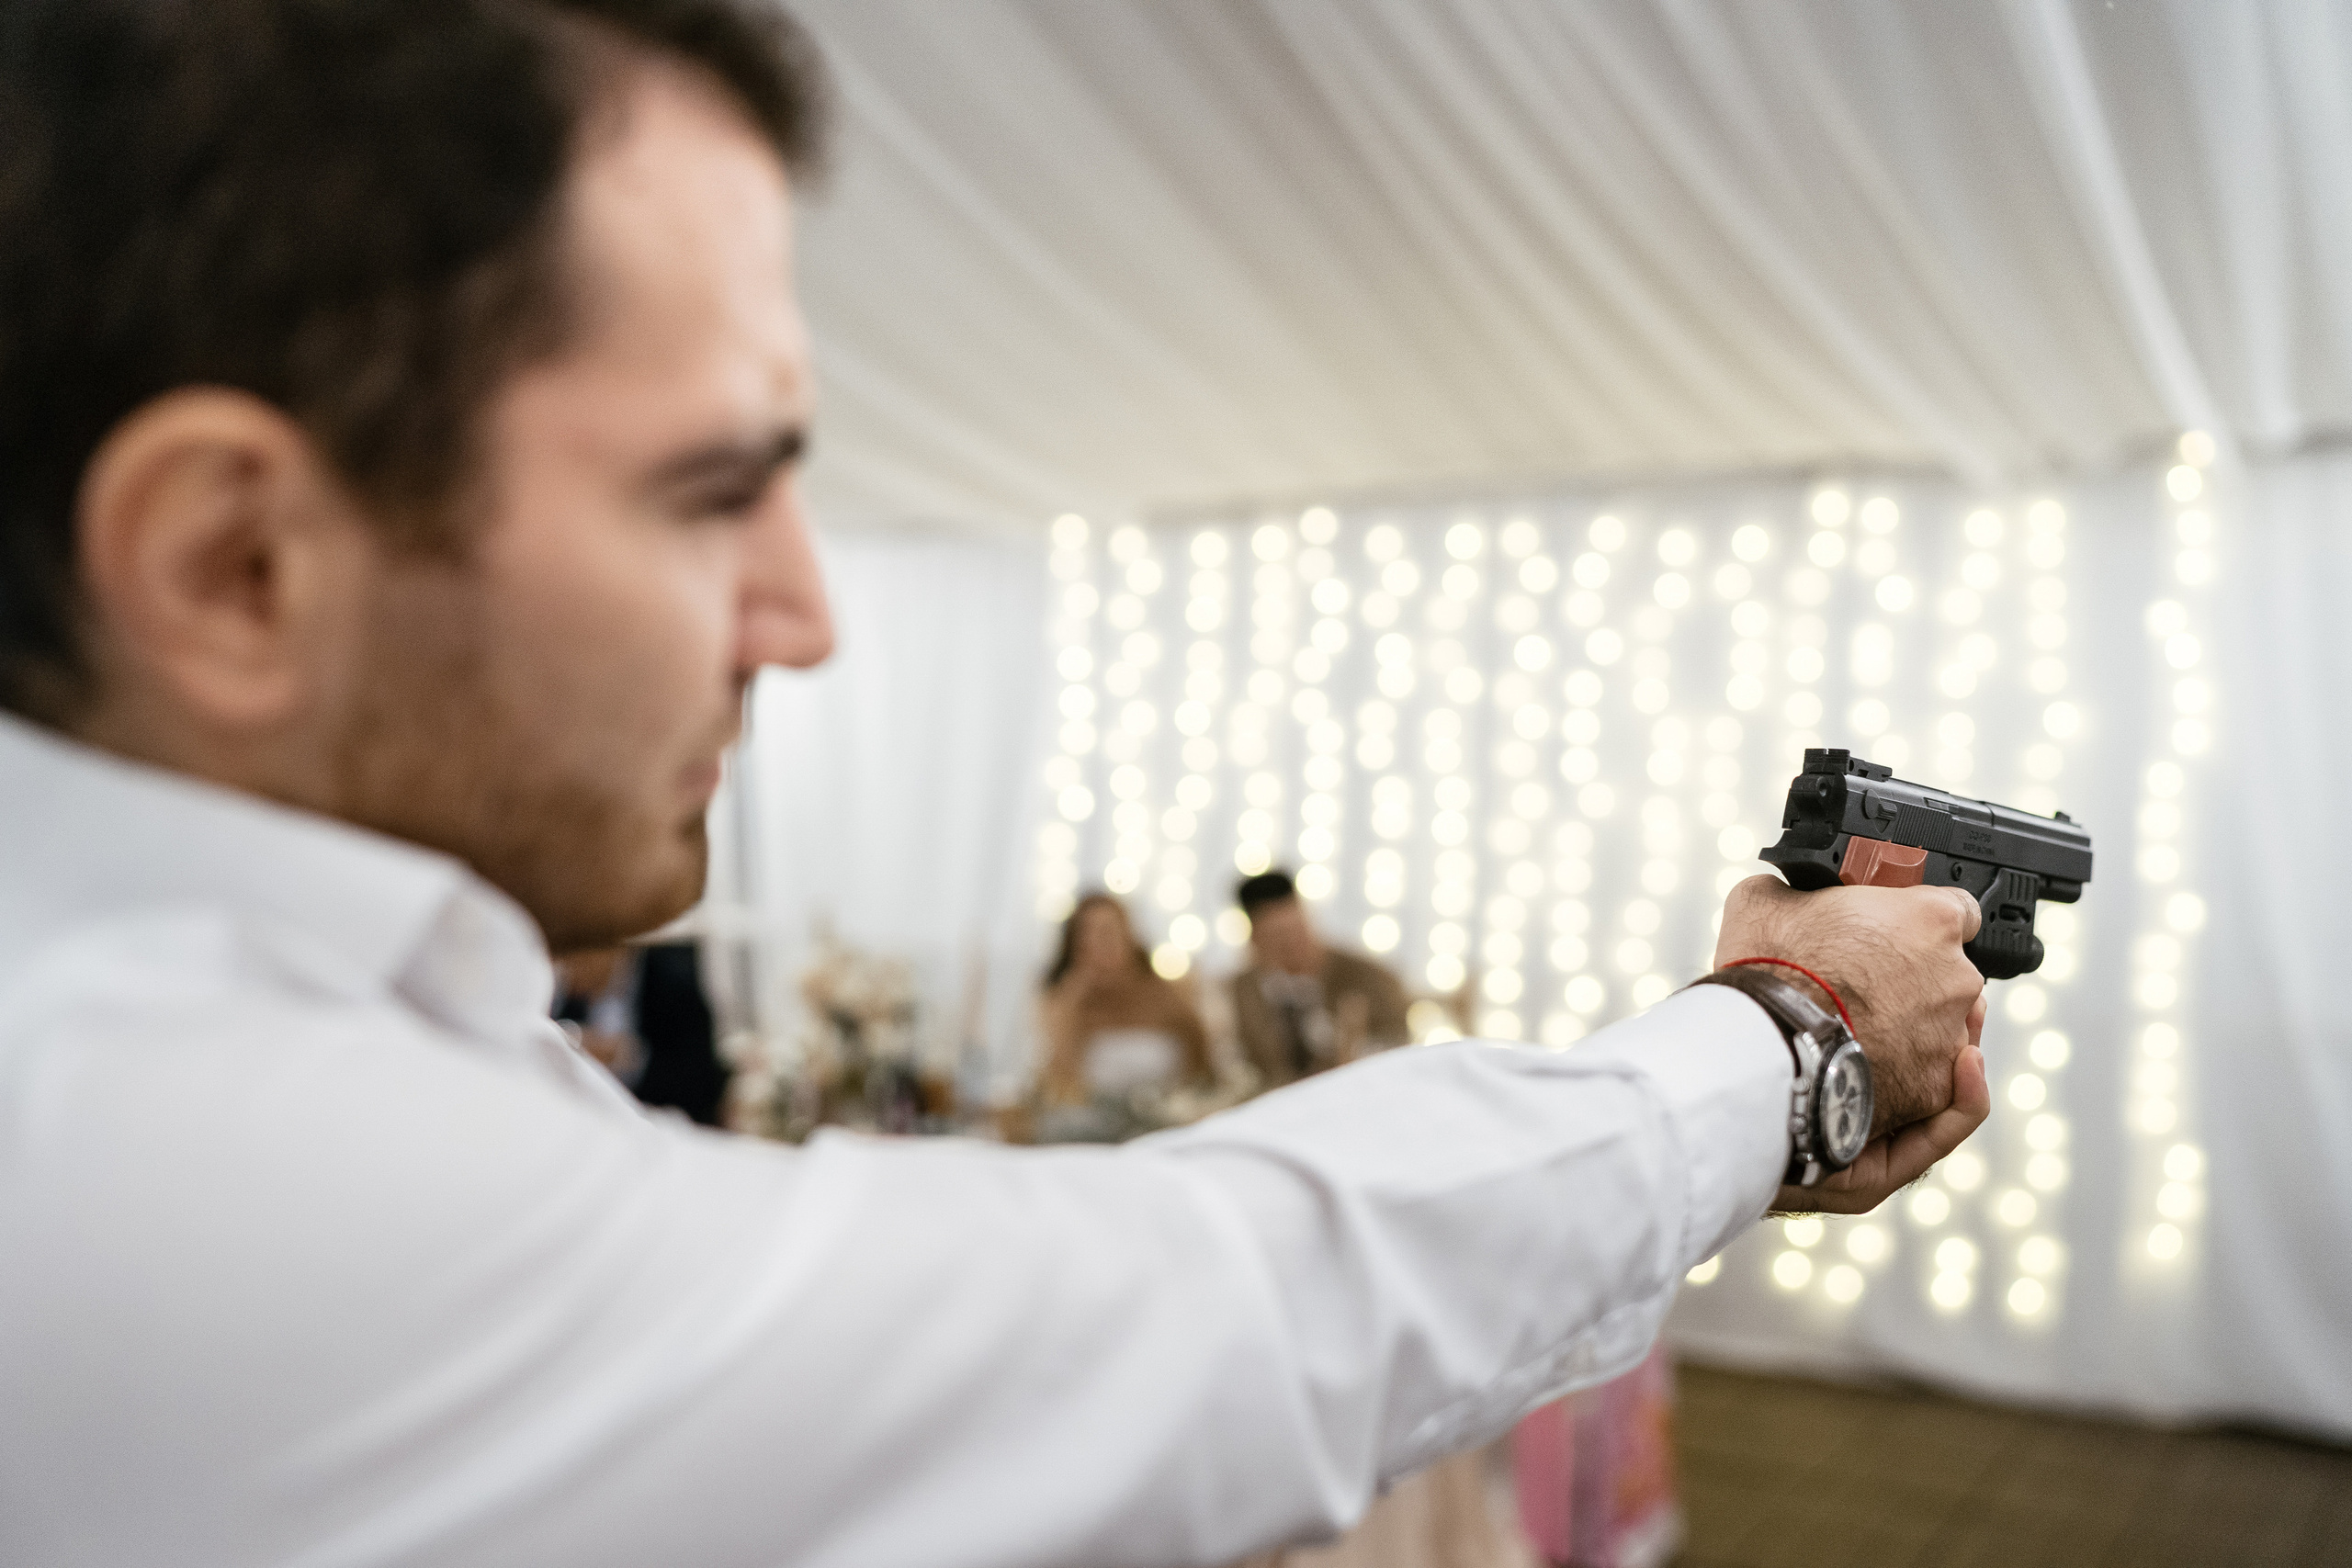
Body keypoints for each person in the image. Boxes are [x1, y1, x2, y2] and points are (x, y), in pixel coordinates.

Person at [0, 6, 1991, 1565]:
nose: (802, 618)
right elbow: (1190, 1320)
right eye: (712, 489)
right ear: (233, 565)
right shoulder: (159, 1143)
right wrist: (1792, 1037)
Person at [1036, 892, 1216, 1136]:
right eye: (1088, 934)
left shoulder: (1168, 992)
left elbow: (1204, 1067)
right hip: (1093, 1133)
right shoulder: (1064, 1000)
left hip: (1167, 1127)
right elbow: (1060, 1083)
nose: (1101, 943)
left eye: (1108, 931)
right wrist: (1072, 1001)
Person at [1231, 869, 1412, 1089]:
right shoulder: (1243, 992)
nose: (1290, 947)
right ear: (1255, 941)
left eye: (1296, 932)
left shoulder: (1369, 977)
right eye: (1275, 939)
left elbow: (1398, 1049)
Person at [555, 942, 730, 1125]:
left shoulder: (672, 984)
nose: (568, 973)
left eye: (574, 960)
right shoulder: (574, 998)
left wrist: (626, 1058)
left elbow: (699, 1080)